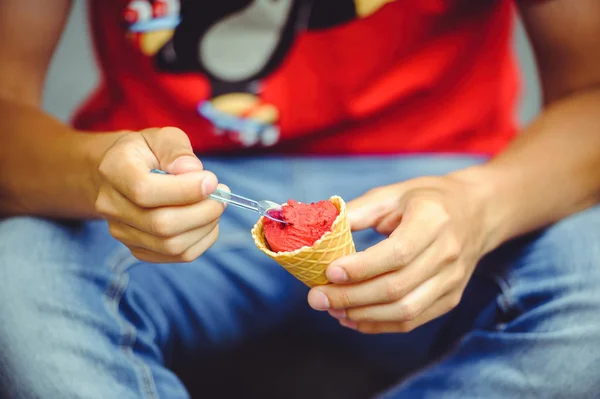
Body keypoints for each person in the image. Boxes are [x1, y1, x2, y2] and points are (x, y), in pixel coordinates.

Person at [1, 0, 599, 397]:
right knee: (14, 281)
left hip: (443, 184)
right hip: (167, 196)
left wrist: (482, 203)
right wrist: (99, 175)